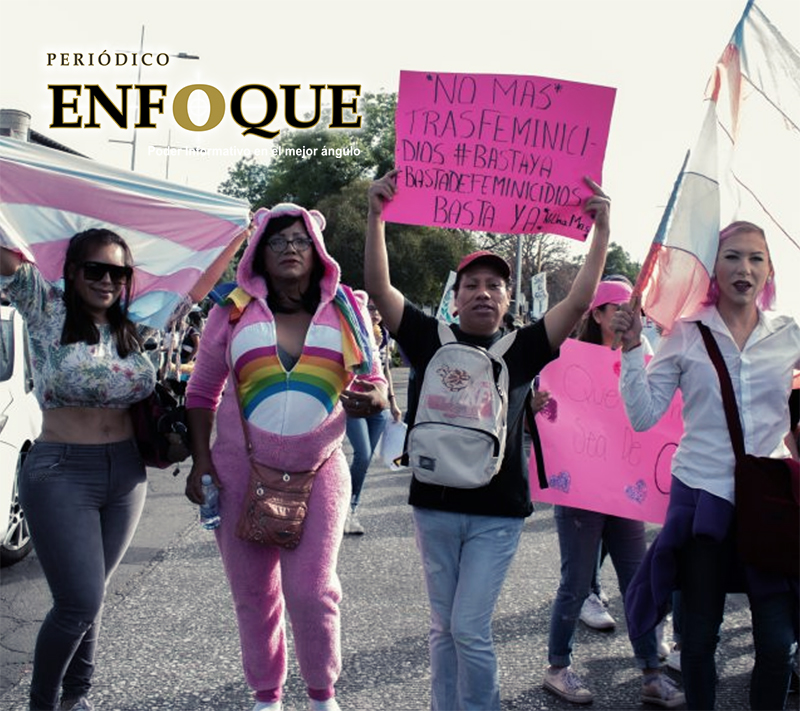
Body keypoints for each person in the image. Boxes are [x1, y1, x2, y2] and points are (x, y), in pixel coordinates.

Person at [364, 168, 611, 711]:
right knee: (442, 626)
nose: (483, 293)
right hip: (434, 504)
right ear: (454, 299)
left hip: (497, 514)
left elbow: (578, 302)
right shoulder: (429, 338)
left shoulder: (524, 348)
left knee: (468, 627)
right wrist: (377, 215)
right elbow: (380, 289)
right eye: (471, 285)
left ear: (506, 298)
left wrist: (602, 232)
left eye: (494, 285)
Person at [184, 203, 388, 711]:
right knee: (253, 595)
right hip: (238, 471)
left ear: (317, 250)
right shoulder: (231, 309)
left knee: (312, 593)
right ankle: (266, 696)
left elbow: (376, 380)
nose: (290, 249)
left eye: (300, 240)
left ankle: (322, 695)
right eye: (277, 241)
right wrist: (201, 461)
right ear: (259, 252)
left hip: (320, 470)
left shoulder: (346, 307)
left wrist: (377, 398)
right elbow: (201, 392)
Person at [614, 220, 800, 710]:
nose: (744, 268)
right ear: (713, 268)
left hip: (771, 504)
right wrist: (631, 349)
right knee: (697, 641)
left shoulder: (789, 334)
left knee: (778, 644)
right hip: (702, 500)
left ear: (770, 270)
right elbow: (643, 415)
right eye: (732, 256)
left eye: (756, 258)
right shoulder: (686, 334)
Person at [0, 229, 182, 711]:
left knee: (93, 595)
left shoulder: (133, 324)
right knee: (78, 602)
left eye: (118, 273)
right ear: (73, 271)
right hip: (60, 472)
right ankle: (42, 704)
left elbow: (197, 281)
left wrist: (240, 231)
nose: (107, 280)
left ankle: (76, 698)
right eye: (95, 269)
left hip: (126, 474)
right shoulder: (46, 308)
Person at [541, 279, 683, 707]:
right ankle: (558, 667)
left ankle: (651, 672)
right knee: (575, 583)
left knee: (639, 583)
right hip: (580, 493)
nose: (627, 314)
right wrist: (539, 408)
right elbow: (549, 414)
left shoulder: (645, 359)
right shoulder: (567, 359)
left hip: (627, 493)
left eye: (632, 308)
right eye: (618, 306)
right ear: (598, 314)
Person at [343, 294, 402, 535]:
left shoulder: (383, 335)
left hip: (379, 405)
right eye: (370, 308)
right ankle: (344, 508)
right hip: (355, 401)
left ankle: (351, 509)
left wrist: (393, 402)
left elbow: (385, 369)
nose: (375, 313)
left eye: (378, 309)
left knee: (366, 460)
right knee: (363, 454)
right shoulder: (351, 332)